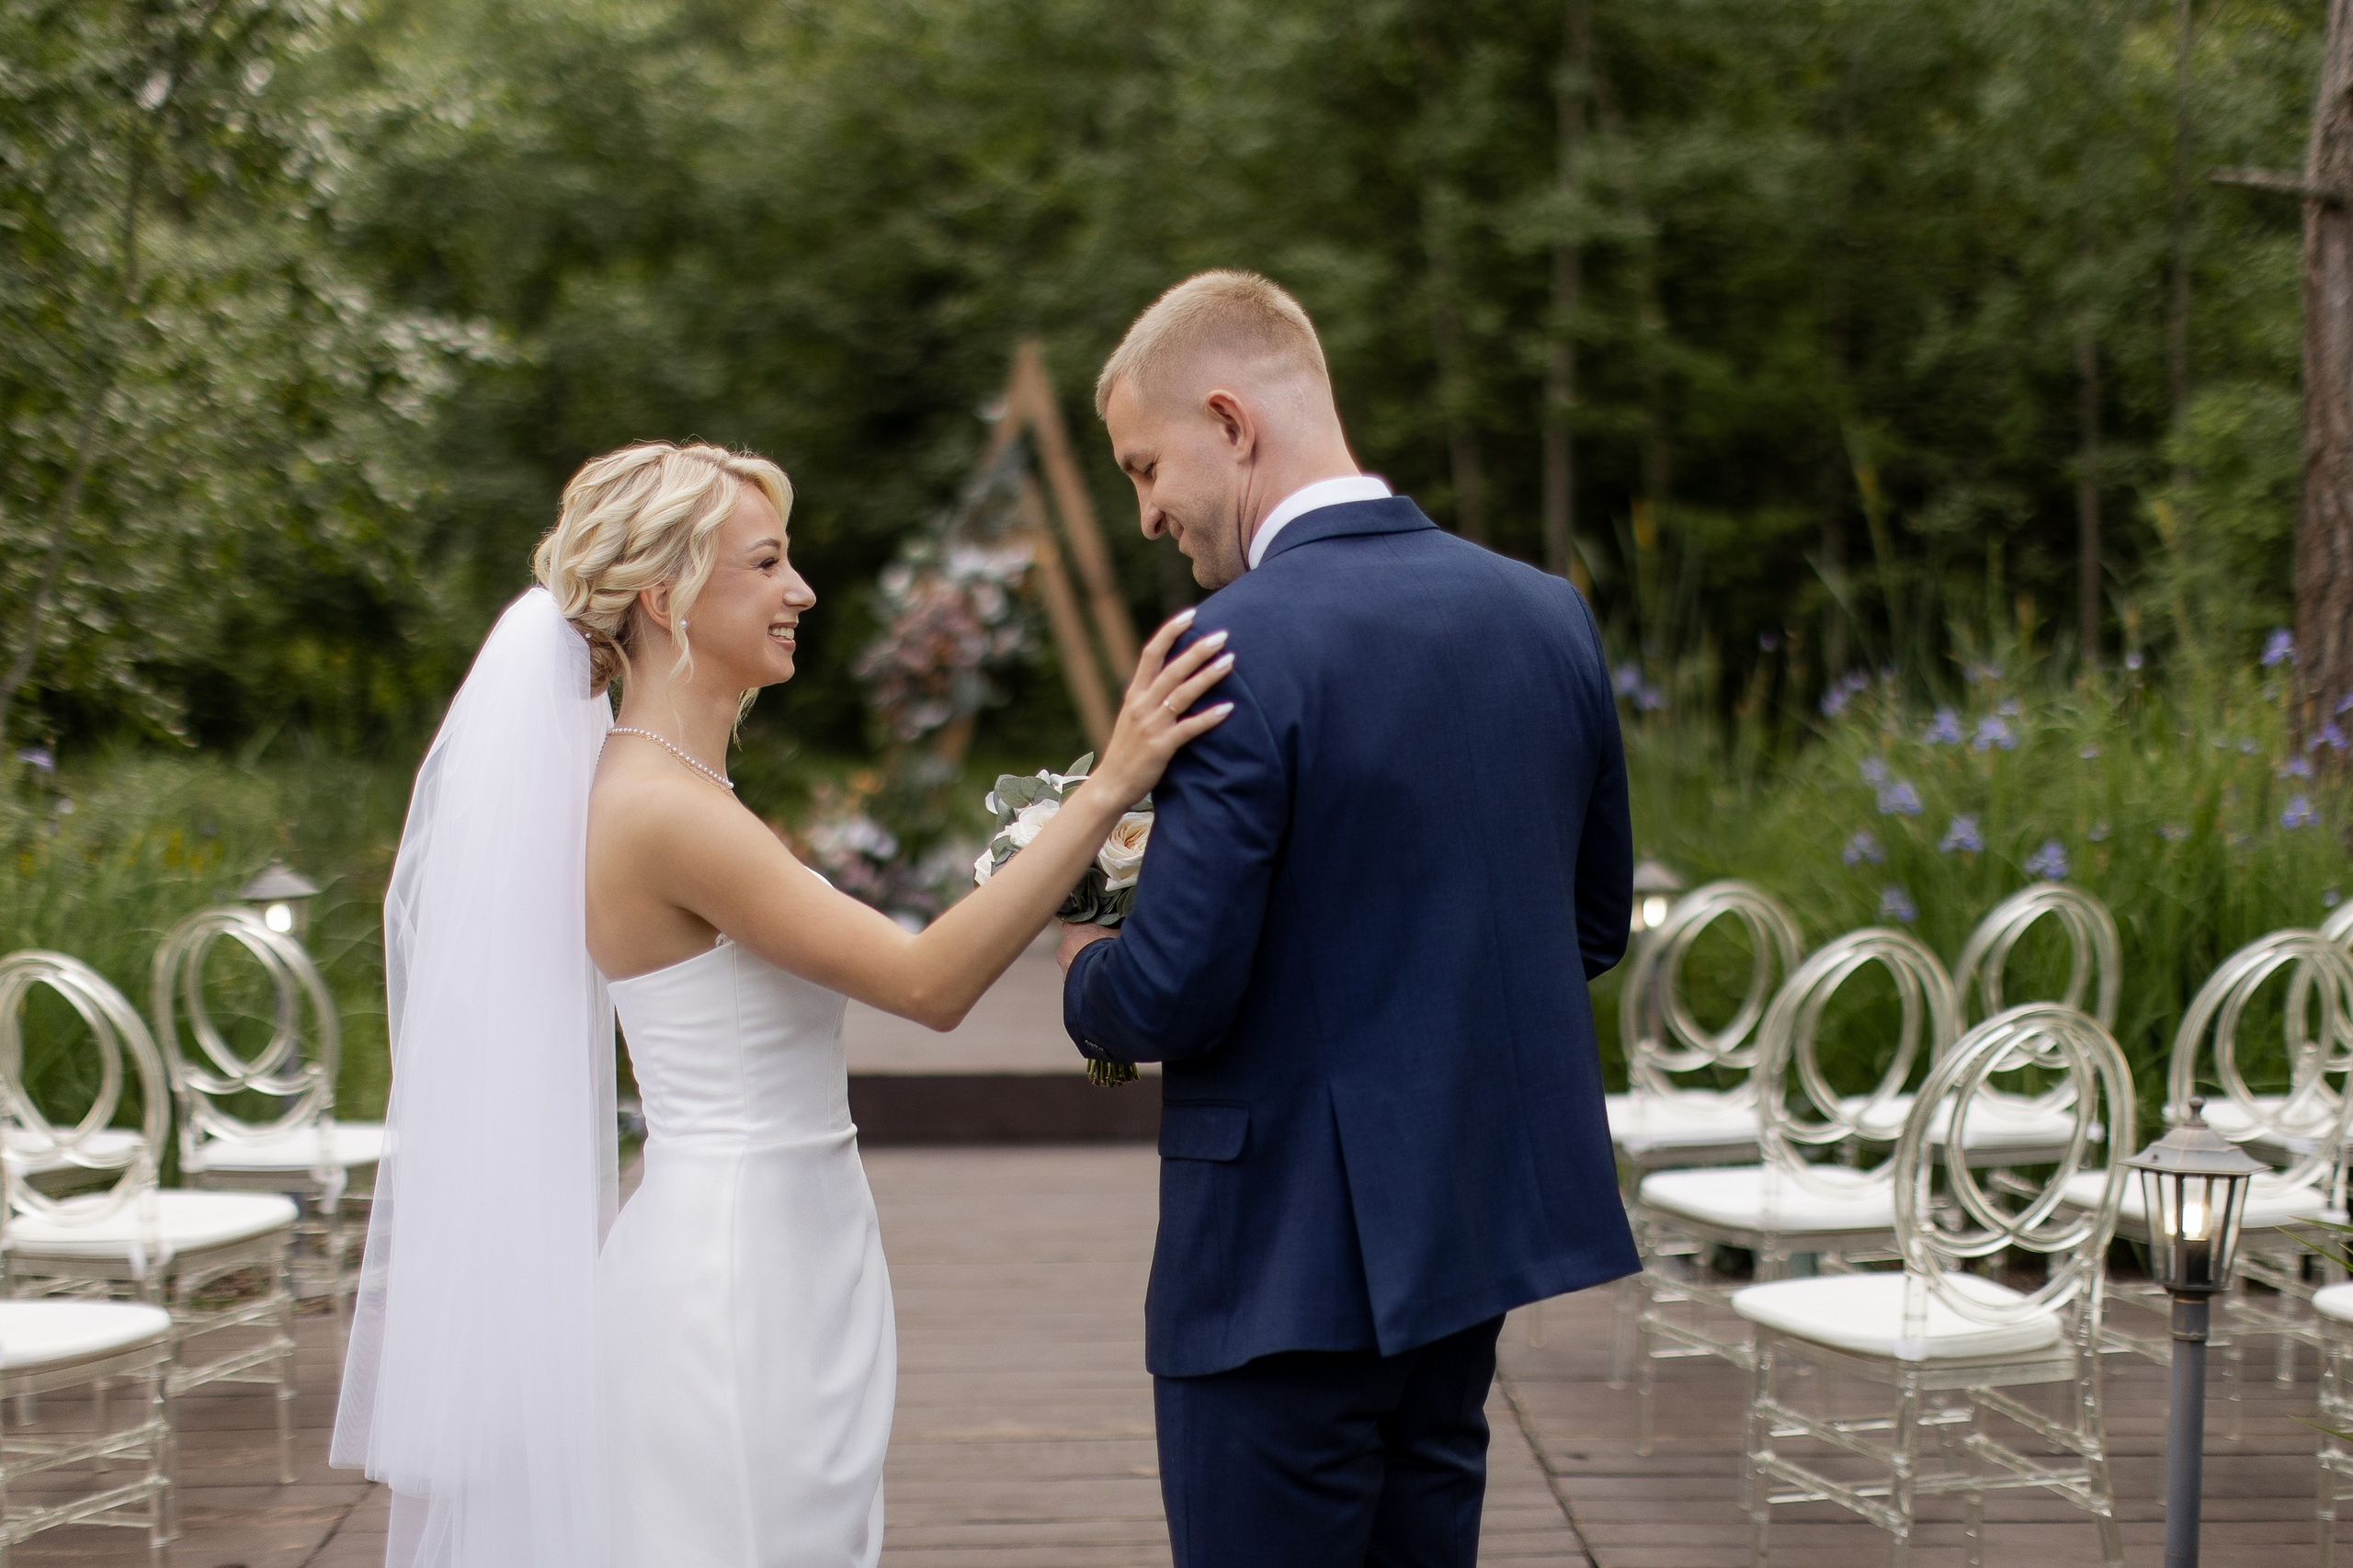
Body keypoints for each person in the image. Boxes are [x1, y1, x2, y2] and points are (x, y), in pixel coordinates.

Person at [331, 440, 1233, 1568]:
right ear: (665, 598)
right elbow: (929, 982)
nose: (800, 589)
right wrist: (1108, 788)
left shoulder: (682, 787)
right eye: (765, 563)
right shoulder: (662, 809)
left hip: (784, 1243)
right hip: (733, 1275)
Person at [1058, 270, 1639, 1568]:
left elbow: (1173, 993)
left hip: (1274, 1271)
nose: (1147, 513)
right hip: (1465, 1253)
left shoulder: (1230, 646)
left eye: (1148, 467)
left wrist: (1086, 959)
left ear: (1231, 418)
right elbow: (1589, 924)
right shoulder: (1546, 614)